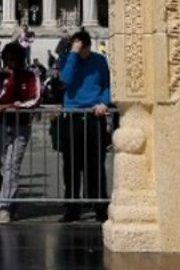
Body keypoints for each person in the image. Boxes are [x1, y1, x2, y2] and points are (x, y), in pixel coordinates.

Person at [58, 30, 112, 223]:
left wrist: (105, 103)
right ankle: (72, 207)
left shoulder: (99, 61)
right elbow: (65, 80)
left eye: (82, 48)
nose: (81, 51)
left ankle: (100, 206)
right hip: (72, 115)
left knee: (96, 163)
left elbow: (108, 84)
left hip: (93, 114)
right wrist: (72, 54)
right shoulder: (67, 59)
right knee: (71, 164)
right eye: (77, 47)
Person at [0, 42, 39, 223]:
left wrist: (11, 106)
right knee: (6, 165)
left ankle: (3, 207)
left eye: (14, 60)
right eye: (8, 60)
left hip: (21, 125)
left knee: (12, 165)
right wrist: (10, 80)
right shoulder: (0, 75)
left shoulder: (30, 76)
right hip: (1, 124)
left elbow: (34, 100)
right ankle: (13, 202)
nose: (10, 64)